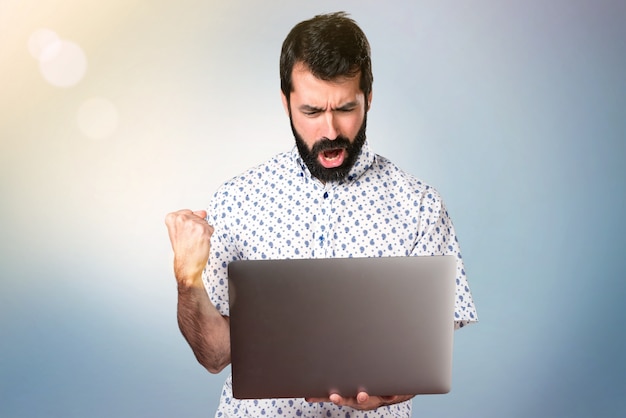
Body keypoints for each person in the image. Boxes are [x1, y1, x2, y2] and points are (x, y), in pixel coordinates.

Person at [165, 11, 477, 418]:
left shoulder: (419, 206)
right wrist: (187, 281)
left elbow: (423, 359)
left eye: (345, 108)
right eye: (311, 112)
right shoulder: (238, 199)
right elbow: (214, 355)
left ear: (369, 96)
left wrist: (391, 390)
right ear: (285, 102)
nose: (330, 130)